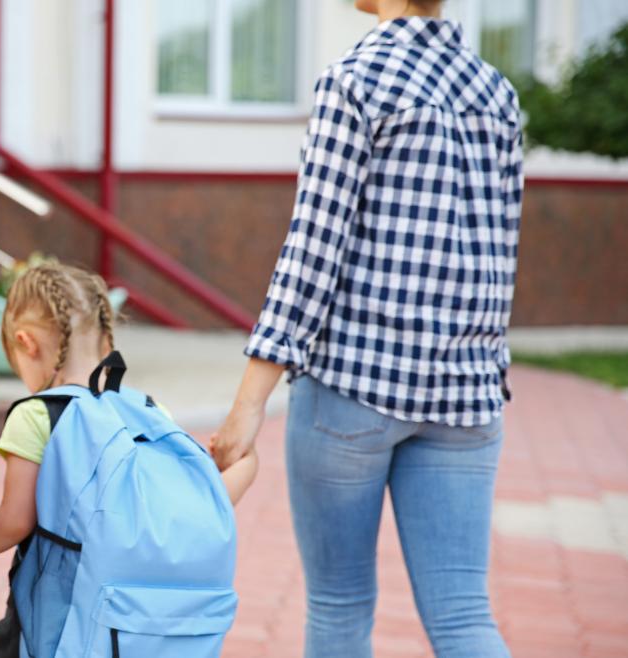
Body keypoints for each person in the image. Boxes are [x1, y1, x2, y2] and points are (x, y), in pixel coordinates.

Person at [211, 0, 522, 656]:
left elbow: (312, 252)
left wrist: (248, 405)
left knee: (339, 604)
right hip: (466, 399)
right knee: (465, 615)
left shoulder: (354, 79)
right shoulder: (498, 94)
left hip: (354, 389)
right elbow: (502, 250)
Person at [0, 263, 259, 657]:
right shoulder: (148, 410)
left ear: (26, 344)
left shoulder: (39, 414)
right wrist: (247, 464)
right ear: (106, 336)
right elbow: (208, 502)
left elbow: (14, 519)